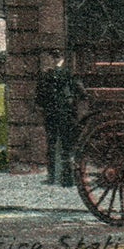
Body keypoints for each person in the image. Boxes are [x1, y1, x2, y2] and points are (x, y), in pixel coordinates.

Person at [35, 49, 85, 186]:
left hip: (51, 114)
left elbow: (39, 97)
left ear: (52, 59)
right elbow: (81, 92)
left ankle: (52, 177)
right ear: (62, 58)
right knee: (66, 146)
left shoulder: (46, 75)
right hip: (66, 114)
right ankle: (67, 178)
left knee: (52, 145)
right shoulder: (69, 73)